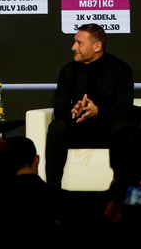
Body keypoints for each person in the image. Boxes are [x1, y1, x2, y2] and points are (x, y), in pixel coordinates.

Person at [46, 23, 134, 187]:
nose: (73, 47)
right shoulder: (68, 71)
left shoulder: (120, 69)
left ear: (97, 46)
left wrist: (98, 111)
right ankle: (53, 191)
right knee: (57, 127)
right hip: (79, 129)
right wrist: (73, 110)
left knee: (123, 127)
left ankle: (123, 190)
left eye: (79, 43)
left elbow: (125, 109)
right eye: (75, 41)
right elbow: (60, 108)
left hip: (108, 129)